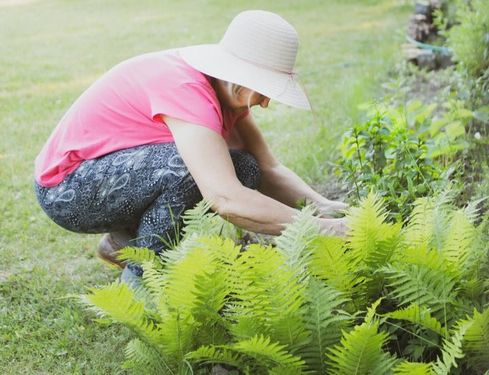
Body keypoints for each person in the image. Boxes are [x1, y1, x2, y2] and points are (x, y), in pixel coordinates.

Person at [34, 10, 348, 282]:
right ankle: (145, 279)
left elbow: (269, 168)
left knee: (245, 167)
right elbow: (226, 198)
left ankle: (124, 243)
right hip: (66, 190)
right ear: (237, 76)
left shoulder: (226, 96)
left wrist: (329, 209)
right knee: (189, 171)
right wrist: (324, 229)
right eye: (265, 89)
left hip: (108, 178)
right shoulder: (187, 91)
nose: (266, 103)